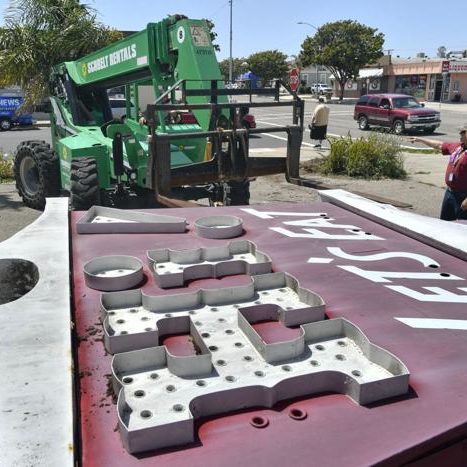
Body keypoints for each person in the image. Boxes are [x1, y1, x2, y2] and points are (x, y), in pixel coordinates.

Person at [410, 124, 467, 221]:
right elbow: (439, 145)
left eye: (463, 132)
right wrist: (420, 140)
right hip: (450, 193)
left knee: (461, 227)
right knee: (444, 223)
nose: (460, 134)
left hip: (463, 196)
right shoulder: (458, 147)